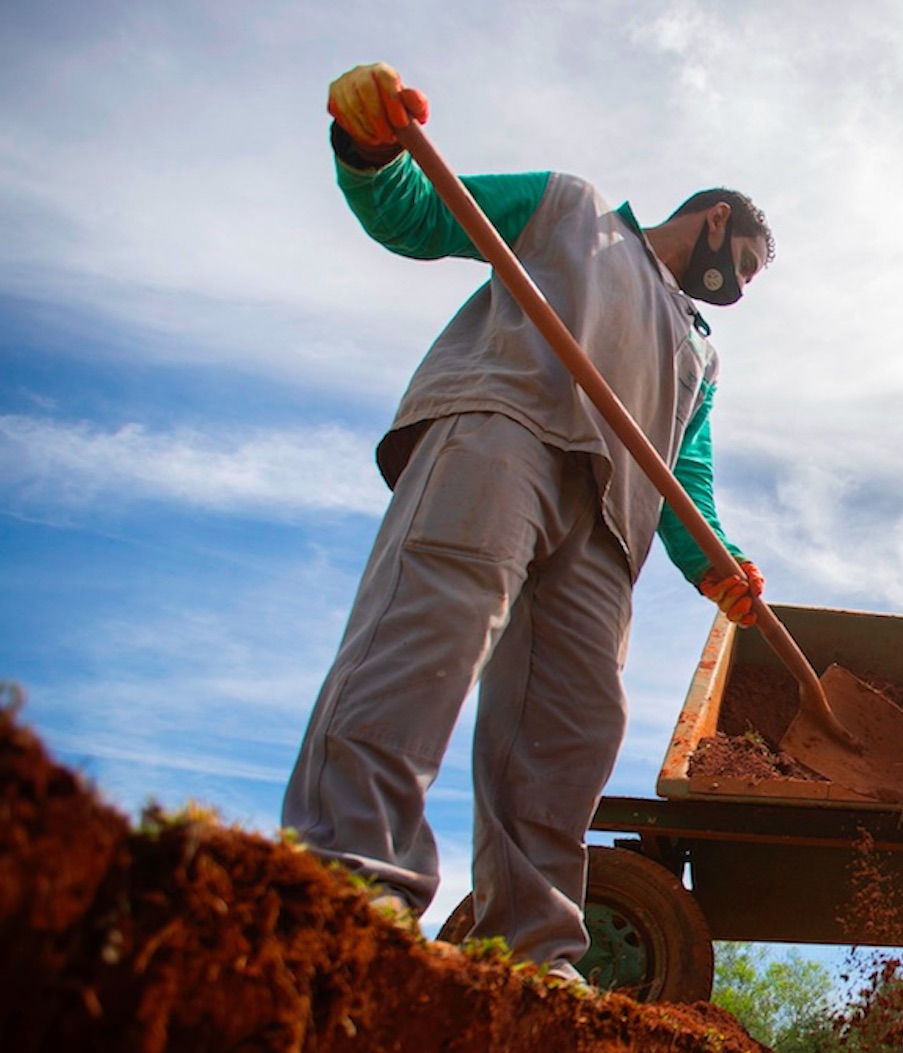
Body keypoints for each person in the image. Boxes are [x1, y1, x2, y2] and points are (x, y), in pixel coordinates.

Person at [282, 63, 773, 983]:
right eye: (741, 262)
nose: (736, 287)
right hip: (503, 435)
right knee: (426, 643)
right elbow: (421, 212)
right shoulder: (571, 211)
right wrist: (370, 146)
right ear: (716, 218)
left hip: (610, 526)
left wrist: (717, 559)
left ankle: (534, 952)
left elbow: (685, 474)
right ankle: (346, 880)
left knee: (570, 731)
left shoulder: (701, 354)